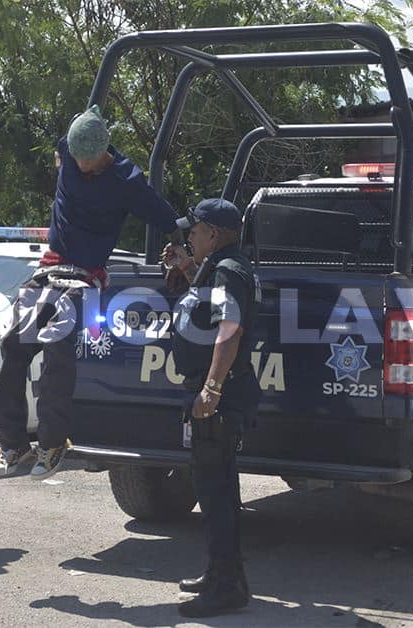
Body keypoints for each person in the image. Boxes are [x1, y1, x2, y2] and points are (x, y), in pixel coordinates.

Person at [0, 105, 182, 480]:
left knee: (57, 348)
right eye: (73, 158)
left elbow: (165, 217)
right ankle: (12, 445)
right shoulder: (70, 147)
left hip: (85, 278)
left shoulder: (127, 180)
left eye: (86, 160)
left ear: (103, 152)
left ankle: (52, 443)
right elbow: (84, 116)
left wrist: (183, 244)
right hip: (47, 271)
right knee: (13, 344)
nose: (78, 165)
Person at [162, 198, 260, 618]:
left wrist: (211, 389)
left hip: (220, 396)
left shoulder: (227, 271)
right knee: (217, 488)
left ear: (214, 234)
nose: (190, 237)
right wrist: (186, 267)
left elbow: (229, 331)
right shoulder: (218, 267)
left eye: (196, 231)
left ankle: (225, 587)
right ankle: (225, 574)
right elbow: (205, 310)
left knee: (216, 492)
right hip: (216, 393)